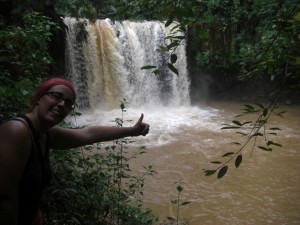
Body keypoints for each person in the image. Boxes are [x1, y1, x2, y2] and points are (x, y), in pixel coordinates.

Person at [0, 77, 150, 225]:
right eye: (56, 96)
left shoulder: (46, 134)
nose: (61, 104)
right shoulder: (16, 131)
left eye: (68, 104)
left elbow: (88, 134)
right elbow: (5, 199)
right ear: (39, 98)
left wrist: (131, 130)